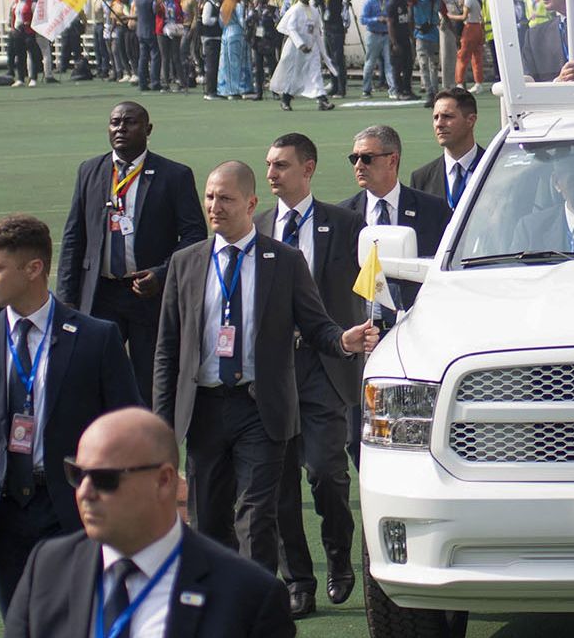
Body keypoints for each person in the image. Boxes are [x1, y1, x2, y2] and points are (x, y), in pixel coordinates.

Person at [153, 163, 379, 591]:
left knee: (257, 517)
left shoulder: (285, 261)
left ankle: (254, 610)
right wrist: (162, 425)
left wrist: (343, 341)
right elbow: (167, 351)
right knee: (209, 520)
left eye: (226, 198)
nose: (214, 207)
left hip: (260, 409)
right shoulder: (185, 264)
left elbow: (317, 326)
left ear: (251, 204)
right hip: (203, 410)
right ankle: (217, 606)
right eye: (209, 197)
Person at [0, 213, 139, 611]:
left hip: (74, 512)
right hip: (2, 517)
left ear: (33, 269)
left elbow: (127, 434)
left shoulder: (96, 339)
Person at [2, 408, 294, 637]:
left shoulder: (248, 596)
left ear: (165, 481)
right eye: (77, 475)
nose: (85, 492)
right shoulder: (48, 569)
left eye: (105, 479)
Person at [256, 134, 365, 616]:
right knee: (278, 484)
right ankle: (298, 580)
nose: (272, 174)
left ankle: (339, 552)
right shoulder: (256, 228)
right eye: (268, 166)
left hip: (326, 366)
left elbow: (370, 287)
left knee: (325, 472)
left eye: (281, 165)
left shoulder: (345, 224)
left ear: (308, 168)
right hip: (273, 372)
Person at [58, 102, 206, 394]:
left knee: (150, 381)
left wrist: (161, 274)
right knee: (93, 378)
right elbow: (74, 236)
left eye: (130, 122)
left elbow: (194, 236)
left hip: (147, 296)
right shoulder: (90, 170)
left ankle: (151, 436)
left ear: (148, 130)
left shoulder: (174, 175)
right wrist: (66, 297)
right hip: (99, 293)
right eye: (115, 122)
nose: (121, 129)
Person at [340, 126, 450, 258]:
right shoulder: (343, 216)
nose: (358, 166)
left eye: (366, 158)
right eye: (354, 158)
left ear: (392, 160)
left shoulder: (433, 210)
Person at [409, 88, 482, 210]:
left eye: (447, 116)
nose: (439, 124)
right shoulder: (421, 179)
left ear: (471, 120)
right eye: (435, 117)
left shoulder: (495, 168)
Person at [270, 0, 335, 111]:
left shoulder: (314, 10)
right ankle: (286, 100)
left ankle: (322, 100)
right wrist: (301, 44)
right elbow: (291, 28)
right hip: (296, 48)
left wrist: (320, 49)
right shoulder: (295, 10)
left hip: (311, 47)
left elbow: (316, 30)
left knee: (315, 74)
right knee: (294, 74)